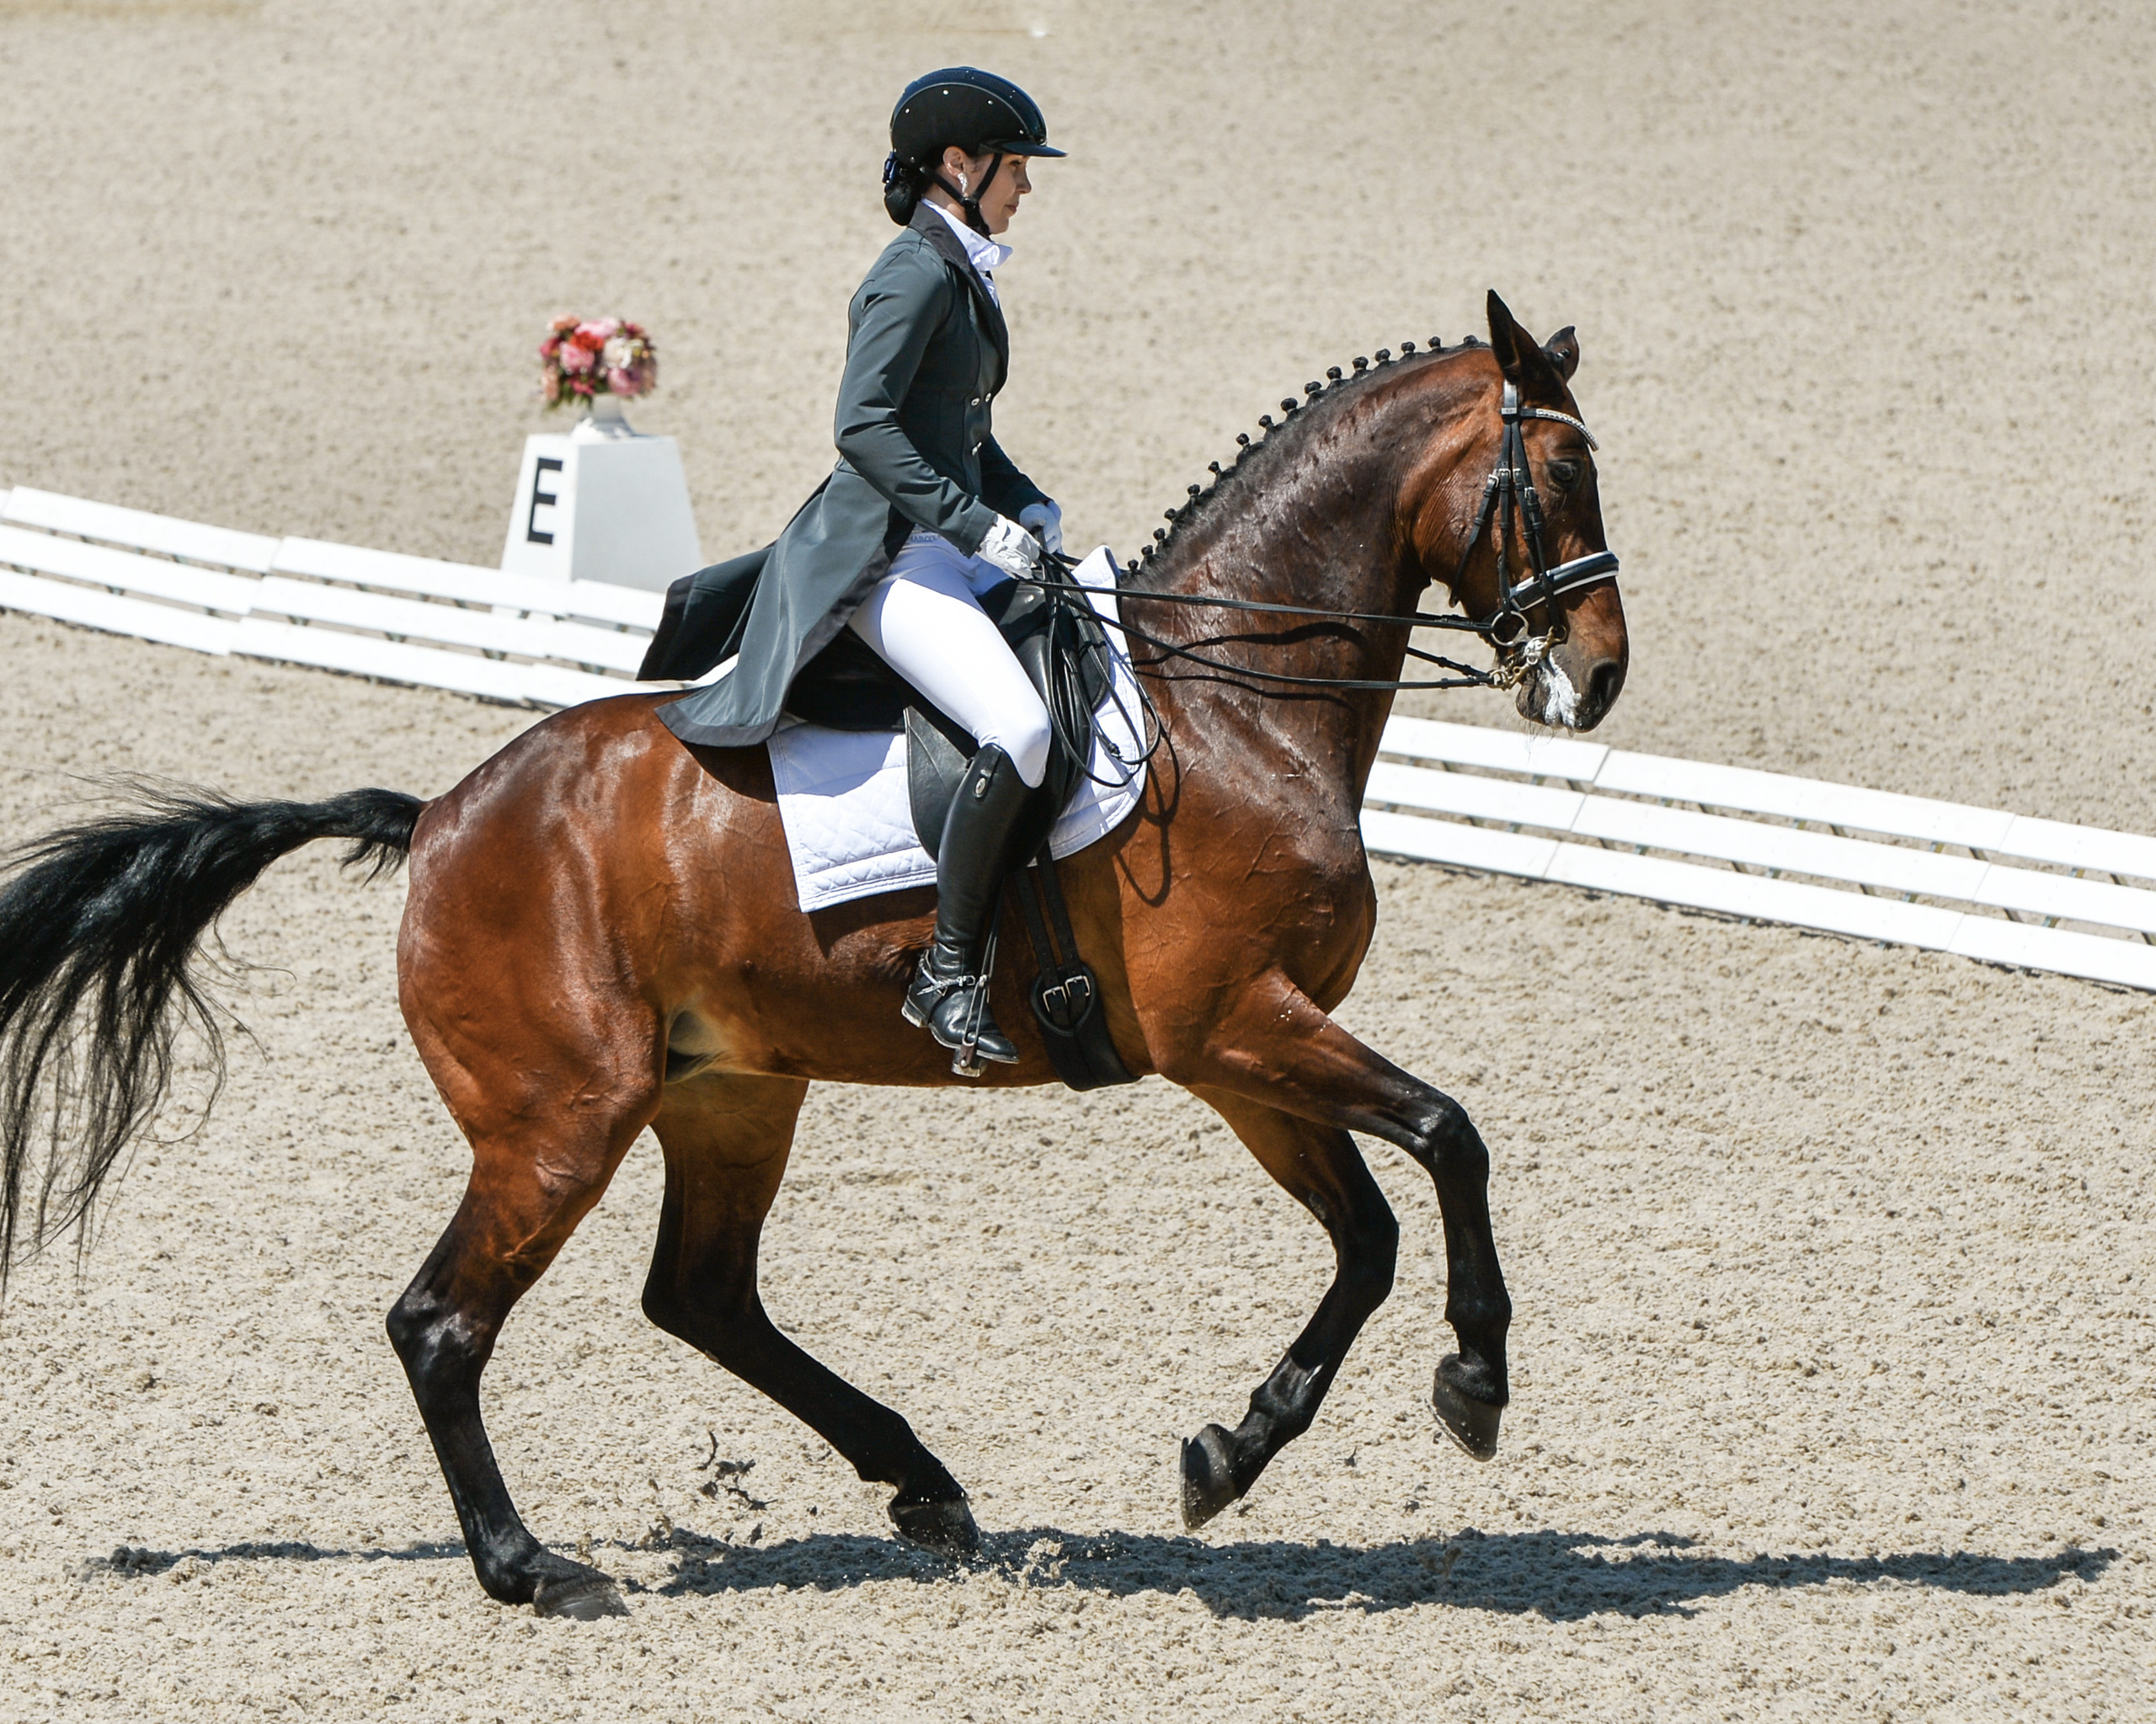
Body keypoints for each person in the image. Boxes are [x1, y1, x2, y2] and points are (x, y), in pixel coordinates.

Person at [638, 67, 1068, 1071]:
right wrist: (976, 526)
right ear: (958, 166)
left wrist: (1025, 502)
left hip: (939, 540)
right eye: (1016, 169)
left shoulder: (963, 267)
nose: (1027, 188)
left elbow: (961, 430)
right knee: (1023, 724)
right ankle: (948, 974)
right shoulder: (913, 271)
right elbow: (864, 427)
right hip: (886, 561)